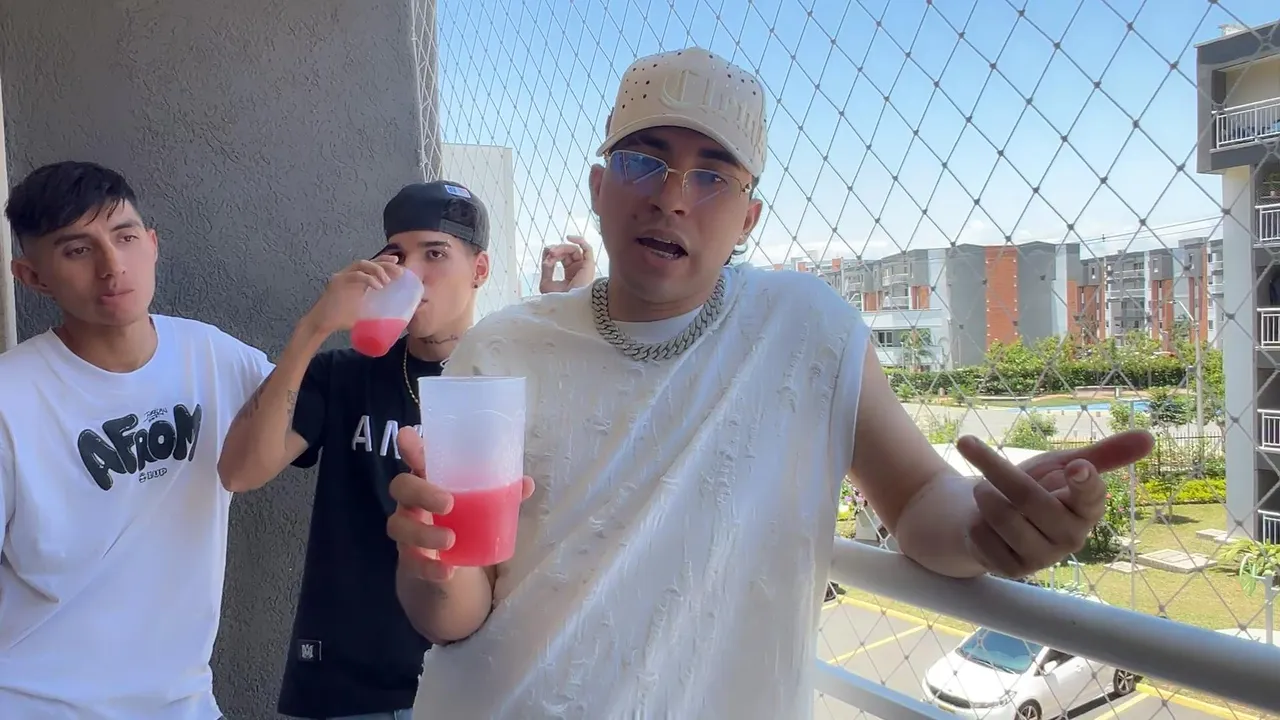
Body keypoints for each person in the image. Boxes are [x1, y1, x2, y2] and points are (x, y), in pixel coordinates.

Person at [384, 48, 1156, 719]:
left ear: (748, 219)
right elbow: (453, 613)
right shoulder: (503, 345)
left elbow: (921, 499)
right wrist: (431, 565)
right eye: (643, 161)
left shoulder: (806, 331)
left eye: (712, 175)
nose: (671, 196)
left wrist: (991, 526)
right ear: (598, 186)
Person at [216, 180, 594, 720]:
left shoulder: (507, 384)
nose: (409, 273)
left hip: (472, 683)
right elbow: (238, 472)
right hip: (344, 687)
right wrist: (315, 326)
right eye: (397, 255)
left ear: (480, 270)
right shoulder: (343, 375)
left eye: (434, 254)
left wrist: (563, 317)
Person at [0, 161, 273, 718]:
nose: (112, 266)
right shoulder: (11, 399)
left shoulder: (214, 355)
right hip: (35, 702)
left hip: (184, 702)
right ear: (32, 277)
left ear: (152, 244)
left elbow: (314, 417)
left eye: (124, 237)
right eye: (78, 250)